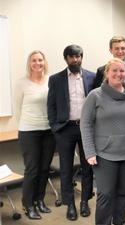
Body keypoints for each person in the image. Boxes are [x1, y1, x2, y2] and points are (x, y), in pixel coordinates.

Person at [80, 58, 125, 225]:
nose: (119, 74)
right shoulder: (95, 95)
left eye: (122, 71)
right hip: (104, 154)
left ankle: (119, 221)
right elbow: (86, 124)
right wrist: (89, 152)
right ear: (107, 73)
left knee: (124, 192)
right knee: (106, 194)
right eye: (115, 71)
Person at [92, 36, 125, 212]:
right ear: (111, 50)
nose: (120, 51)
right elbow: (95, 100)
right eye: (117, 48)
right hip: (108, 140)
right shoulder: (101, 72)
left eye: (123, 48)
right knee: (106, 190)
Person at [47, 44, 94, 221]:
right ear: (66, 58)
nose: (76, 60)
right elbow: (51, 105)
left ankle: (84, 202)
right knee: (65, 169)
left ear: (82, 57)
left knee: (87, 166)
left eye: (79, 56)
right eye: (72, 57)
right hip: (65, 129)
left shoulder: (92, 76)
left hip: (86, 128)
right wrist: (55, 127)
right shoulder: (56, 79)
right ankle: (70, 204)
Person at [14, 51, 55, 220]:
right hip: (29, 130)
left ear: (44, 62)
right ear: (29, 63)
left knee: (45, 168)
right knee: (32, 169)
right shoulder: (21, 83)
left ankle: (40, 200)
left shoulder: (50, 80)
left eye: (40, 60)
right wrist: (24, 125)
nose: (37, 63)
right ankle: (28, 204)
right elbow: (17, 109)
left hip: (48, 130)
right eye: (34, 60)